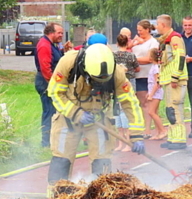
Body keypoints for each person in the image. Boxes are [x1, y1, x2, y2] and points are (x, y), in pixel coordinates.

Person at [46, 43, 146, 186]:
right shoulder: (68, 63)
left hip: (99, 119)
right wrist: (75, 113)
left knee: (102, 164)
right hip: (68, 118)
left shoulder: (116, 73)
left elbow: (130, 103)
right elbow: (55, 92)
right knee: (62, 160)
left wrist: (137, 135)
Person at [155, 14, 188, 149]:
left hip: (175, 80)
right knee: (170, 110)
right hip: (168, 80)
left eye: (157, 24)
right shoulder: (165, 40)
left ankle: (179, 139)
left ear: (163, 25)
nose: (156, 27)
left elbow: (180, 57)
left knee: (175, 110)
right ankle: (172, 137)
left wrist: (175, 76)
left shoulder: (174, 38)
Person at [34, 22, 65, 148]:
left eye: (62, 33)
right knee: (49, 111)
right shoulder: (44, 45)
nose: (61, 35)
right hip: (45, 82)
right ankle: (46, 142)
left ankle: (52, 140)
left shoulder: (51, 44)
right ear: (51, 33)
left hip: (49, 81)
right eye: (59, 33)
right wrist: (53, 85)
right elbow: (45, 67)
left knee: (53, 112)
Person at [113, 33, 139, 151]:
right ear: (127, 43)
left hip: (116, 84)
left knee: (117, 110)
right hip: (129, 84)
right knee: (127, 110)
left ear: (117, 43)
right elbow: (137, 68)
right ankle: (128, 141)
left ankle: (120, 142)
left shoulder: (112, 56)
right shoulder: (131, 56)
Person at [132, 19, 158, 111]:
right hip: (135, 75)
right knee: (137, 102)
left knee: (145, 102)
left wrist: (133, 59)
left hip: (146, 75)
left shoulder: (153, 42)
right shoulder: (137, 41)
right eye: (137, 30)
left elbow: (149, 59)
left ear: (147, 29)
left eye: (141, 30)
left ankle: (147, 124)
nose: (139, 32)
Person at [144, 55, 167, 140]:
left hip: (156, 93)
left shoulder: (156, 68)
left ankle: (163, 130)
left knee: (151, 112)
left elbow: (157, 83)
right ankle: (158, 132)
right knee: (155, 112)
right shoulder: (153, 66)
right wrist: (149, 93)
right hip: (152, 92)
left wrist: (151, 94)